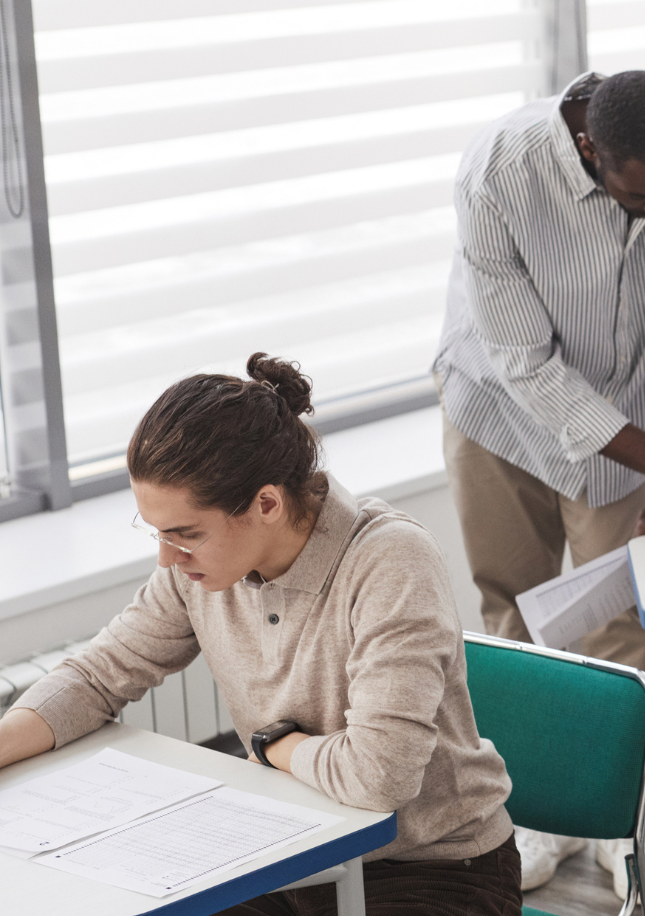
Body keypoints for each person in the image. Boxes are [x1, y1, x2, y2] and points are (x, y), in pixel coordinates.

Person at [0, 355, 519, 916]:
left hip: (429, 867)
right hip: (282, 848)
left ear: (266, 503)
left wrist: (275, 747)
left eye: (185, 534)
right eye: (155, 533)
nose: (166, 557)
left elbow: (380, 777)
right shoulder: (194, 571)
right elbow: (98, 677)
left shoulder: (390, 561)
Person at [435, 69, 645, 899]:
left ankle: (624, 827)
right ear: (590, 150)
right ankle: (537, 813)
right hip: (496, 406)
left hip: (623, 416)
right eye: (644, 198)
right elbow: (525, 365)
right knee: (513, 612)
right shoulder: (498, 171)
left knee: (618, 618)